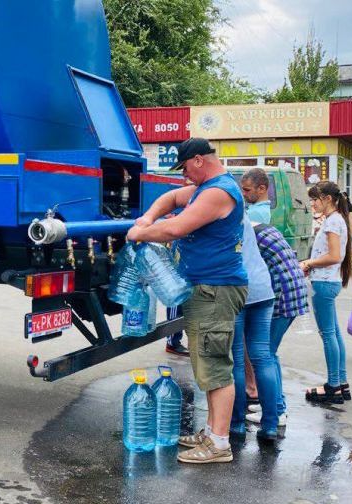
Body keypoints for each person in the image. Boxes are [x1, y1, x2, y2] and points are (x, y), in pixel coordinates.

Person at [126, 138, 248, 464]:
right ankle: (211, 432)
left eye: (185, 169)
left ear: (197, 160)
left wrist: (139, 233)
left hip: (215, 290)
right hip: (206, 288)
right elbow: (169, 198)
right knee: (205, 365)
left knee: (215, 366)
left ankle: (219, 444)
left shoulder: (218, 192)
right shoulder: (203, 188)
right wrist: (148, 217)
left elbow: (176, 228)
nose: (184, 177)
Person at [245, 223, 309, 429]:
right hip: (294, 291)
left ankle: (277, 410)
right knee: (271, 354)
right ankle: (272, 403)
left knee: (266, 355)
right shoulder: (264, 229)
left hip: (282, 296)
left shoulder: (250, 236)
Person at [299, 181, 352, 404]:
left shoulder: (332, 222)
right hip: (330, 281)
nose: (312, 203)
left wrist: (308, 263)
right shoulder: (337, 219)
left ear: (328, 199)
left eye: (315, 199)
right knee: (334, 333)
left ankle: (333, 386)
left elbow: (334, 256)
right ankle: (341, 382)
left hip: (323, 282)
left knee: (328, 334)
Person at [229, 218, 277, 442]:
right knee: (262, 357)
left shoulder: (214, 211)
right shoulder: (242, 215)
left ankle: (236, 424)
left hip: (237, 289)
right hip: (262, 288)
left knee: (237, 359)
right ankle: (270, 426)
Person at [238, 167, 271, 404]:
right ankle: (272, 416)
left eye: (247, 189)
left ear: (262, 189)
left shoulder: (257, 214)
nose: (243, 193)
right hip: (264, 285)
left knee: (239, 353)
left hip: (246, 287)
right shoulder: (253, 211)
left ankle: (237, 417)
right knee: (263, 354)